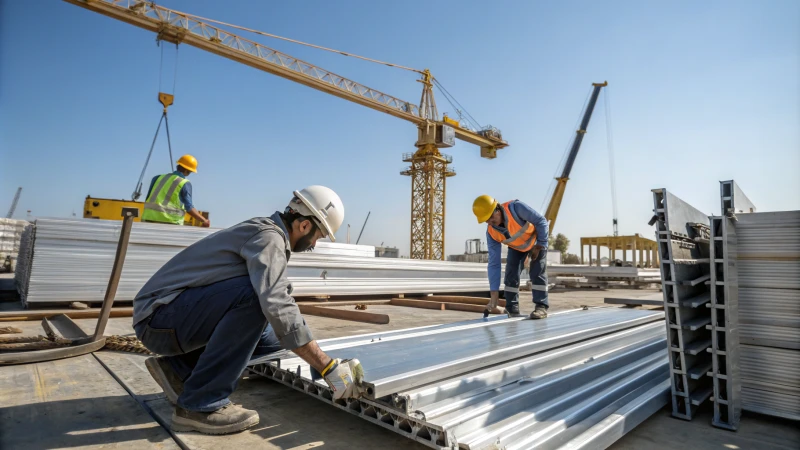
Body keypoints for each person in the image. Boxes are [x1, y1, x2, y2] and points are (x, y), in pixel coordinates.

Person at [132, 185, 364, 434]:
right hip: (160, 320)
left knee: (273, 342)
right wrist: (326, 365)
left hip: (172, 317)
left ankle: (179, 369)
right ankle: (200, 405)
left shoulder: (267, 233)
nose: (314, 245)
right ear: (304, 226)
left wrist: (312, 355)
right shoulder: (269, 238)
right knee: (258, 299)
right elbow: (276, 303)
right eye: (317, 236)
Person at [472, 195, 549, 319]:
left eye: (491, 218)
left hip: (536, 242)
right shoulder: (492, 233)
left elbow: (541, 221)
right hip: (517, 248)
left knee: (537, 271)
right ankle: (511, 309)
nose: (490, 223)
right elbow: (494, 263)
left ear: (497, 209)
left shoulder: (515, 208)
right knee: (511, 275)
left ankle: (541, 307)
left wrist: (541, 245)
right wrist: (494, 295)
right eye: (487, 220)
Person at [141, 154, 210, 227]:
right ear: (187, 170)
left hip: (148, 219)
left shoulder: (157, 178)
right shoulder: (184, 183)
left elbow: (148, 198)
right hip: (170, 223)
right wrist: (204, 220)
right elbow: (189, 207)